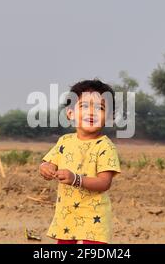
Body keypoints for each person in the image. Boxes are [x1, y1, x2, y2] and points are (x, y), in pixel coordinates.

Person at [39, 79, 121, 244]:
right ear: (70, 113)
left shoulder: (105, 146)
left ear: (110, 117)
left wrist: (76, 179)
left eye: (100, 108)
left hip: (94, 218)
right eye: (84, 106)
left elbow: (104, 182)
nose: (91, 112)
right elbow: (49, 164)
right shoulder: (65, 141)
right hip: (67, 217)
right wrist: (45, 168)